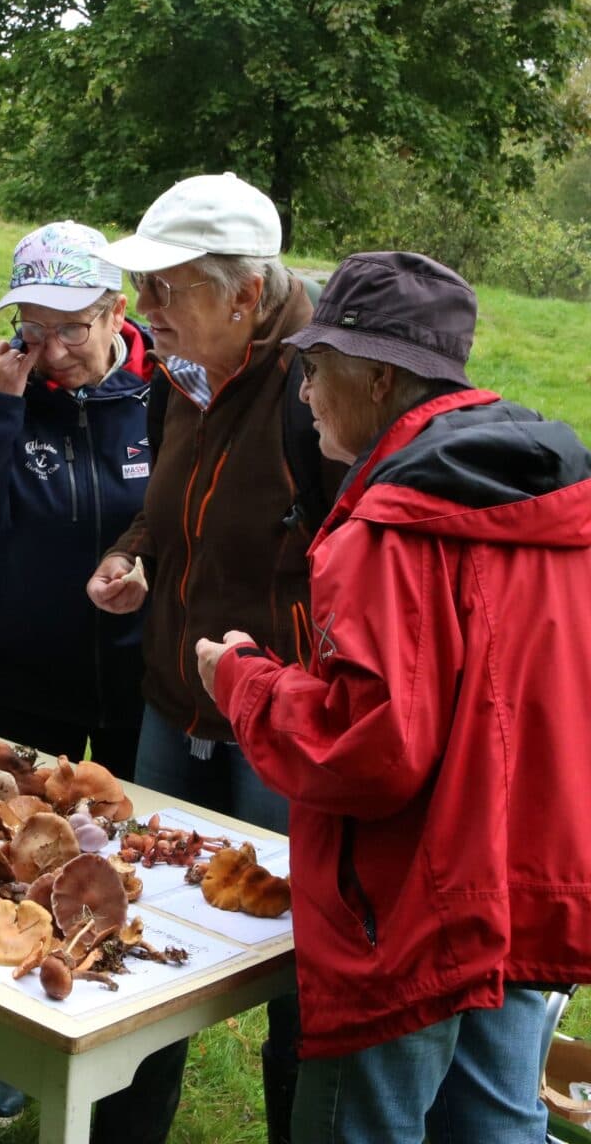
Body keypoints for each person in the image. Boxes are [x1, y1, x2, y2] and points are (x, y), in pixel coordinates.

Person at [196, 250, 591, 1143]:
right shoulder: (555, 505)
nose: (304, 394)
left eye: (317, 369)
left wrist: (243, 680)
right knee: (497, 1123)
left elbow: (368, 750)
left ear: (378, 379)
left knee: (361, 1126)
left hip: (413, 900)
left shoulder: (391, 529)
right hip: (520, 875)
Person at [87, 173, 342, 1143]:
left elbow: (357, 563)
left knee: (298, 959)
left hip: (278, 726)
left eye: (167, 287)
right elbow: (172, 500)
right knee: (144, 918)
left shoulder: (319, 388)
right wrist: (133, 555)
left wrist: (282, 680)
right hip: (173, 701)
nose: (144, 308)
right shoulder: (184, 367)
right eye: (142, 285)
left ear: (246, 294)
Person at [0, 220, 156, 1127]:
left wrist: (150, 567)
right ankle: (17, 1038)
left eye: (72, 328)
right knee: (21, 858)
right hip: (20, 670)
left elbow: (192, 520)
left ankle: (116, 1017)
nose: (52, 351)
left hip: (135, 678)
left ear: (116, 312)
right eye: (33, 329)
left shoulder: (166, 397)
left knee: (126, 859)